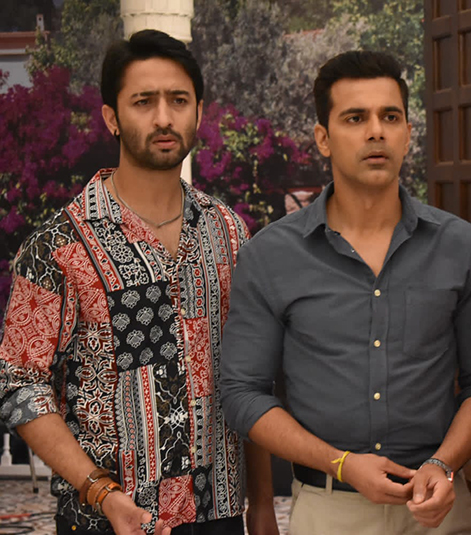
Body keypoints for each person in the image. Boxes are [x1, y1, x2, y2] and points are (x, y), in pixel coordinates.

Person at [0, 30, 278, 535]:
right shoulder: (58, 245)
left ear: (199, 112)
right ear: (111, 117)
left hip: (218, 516)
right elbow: (20, 384)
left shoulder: (228, 232)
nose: (164, 118)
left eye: (178, 100)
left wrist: (261, 505)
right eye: (144, 101)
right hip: (106, 519)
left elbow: (250, 375)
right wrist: (101, 492)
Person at [219, 50, 471, 535]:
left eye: (390, 117)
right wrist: (341, 464)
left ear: (407, 133)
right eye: (355, 118)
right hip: (328, 509)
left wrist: (443, 463)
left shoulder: (462, 248)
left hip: (438, 507)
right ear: (323, 139)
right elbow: (242, 393)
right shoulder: (271, 255)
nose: (376, 132)